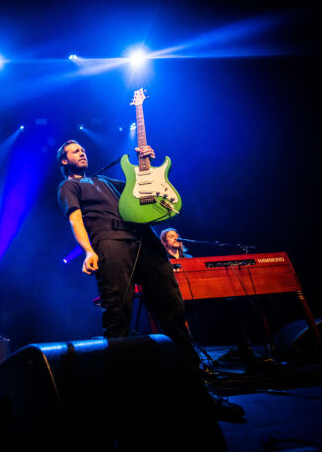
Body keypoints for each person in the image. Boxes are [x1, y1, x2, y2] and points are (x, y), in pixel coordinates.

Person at [56, 139, 243, 421]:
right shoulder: (68, 186)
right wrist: (88, 250)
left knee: (173, 311)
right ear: (64, 161)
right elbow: (75, 219)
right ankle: (123, 404)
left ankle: (199, 394)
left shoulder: (106, 181)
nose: (81, 152)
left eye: (82, 149)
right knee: (118, 314)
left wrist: (148, 165)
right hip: (109, 241)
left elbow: (142, 192)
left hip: (146, 239)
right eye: (74, 151)